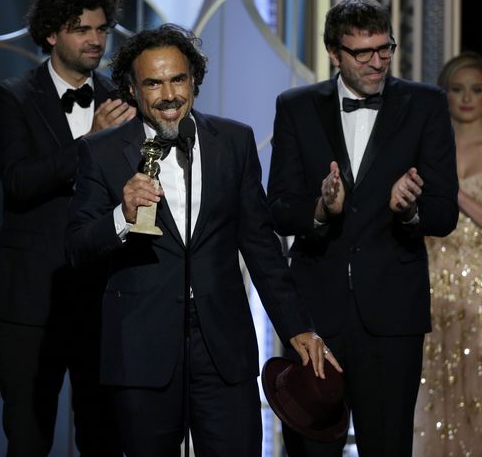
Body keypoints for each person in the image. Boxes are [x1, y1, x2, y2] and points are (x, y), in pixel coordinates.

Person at [65, 23, 336, 456]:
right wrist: (122, 214)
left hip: (221, 345)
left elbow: (261, 245)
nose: (168, 94)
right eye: (153, 83)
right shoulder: (101, 151)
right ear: (133, 90)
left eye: (178, 79)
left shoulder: (233, 141)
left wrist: (297, 326)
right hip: (142, 348)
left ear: (194, 80)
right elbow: (76, 247)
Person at [267, 0, 459, 456]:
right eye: (363, 53)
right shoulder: (296, 107)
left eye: (385, 48)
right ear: (334, 53)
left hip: (393, 315)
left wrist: (409, 210)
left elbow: (445, 213)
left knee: (388, 445)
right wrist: (320, 209)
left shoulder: (425, 104)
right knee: (312, 448)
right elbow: (278, 207)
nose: (378, 62)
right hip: (316, 315)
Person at [0, 0, 135, 456]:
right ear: (51, 33)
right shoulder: (12, 97)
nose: (95, 40)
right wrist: (88, 141)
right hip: (29, 299)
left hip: (103, 296)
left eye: (102, 29)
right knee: (28, 437)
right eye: (81, 29)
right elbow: (20, 182)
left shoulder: (121, 100)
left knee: (103, 437)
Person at [413, 51, 482, 455]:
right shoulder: (430, 144)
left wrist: (450, 191)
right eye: (458, 90)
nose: (467, 98)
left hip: (478, 285)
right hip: (430, 279)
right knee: (433, 385)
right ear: (445, 95)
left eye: (476, 90)